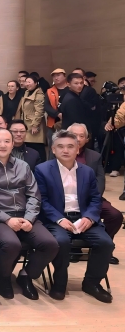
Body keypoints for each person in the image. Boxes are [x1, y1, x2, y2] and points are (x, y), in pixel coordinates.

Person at [0, 129, 59, 300]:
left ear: (13, 144)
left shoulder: (23, 166)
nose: (2, 145)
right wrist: (7, 219)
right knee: (12, 244)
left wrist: (29, 218)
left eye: (7, 141)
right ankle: (4, 277)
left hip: (25, 215)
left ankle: (26, 275)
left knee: (50, 244)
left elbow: (34, 195)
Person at [35, 130, 114, 303]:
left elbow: (95, 199)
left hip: (83, 217)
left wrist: (89, 217)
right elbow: (42, 200)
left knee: (106, 243)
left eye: (70, 146)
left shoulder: (87, 171)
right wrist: (59, 219)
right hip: (56, 219)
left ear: (78, 149)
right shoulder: (42, 170)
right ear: (53, 149)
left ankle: (92, 283)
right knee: (61, 241)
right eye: (60, 146)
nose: (65, 150)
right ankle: (59, 282)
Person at [68, 123, 122, 264]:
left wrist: (92, 199)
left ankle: (103, 248)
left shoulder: (95, 156)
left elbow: (100, 181)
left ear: (87, 139)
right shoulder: (60, 153)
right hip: (68, 199)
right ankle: (75, 248)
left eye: (82, 136)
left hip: (92, 199)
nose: (78, 139)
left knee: (115, 215)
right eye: (74, 135)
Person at [17, 75, 46, 163]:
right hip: (27, 124)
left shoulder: (39, 94)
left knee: (37, 147)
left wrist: (35, 125)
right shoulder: (27, 92)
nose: (27, 84)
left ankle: (39, 166)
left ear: (36, 83)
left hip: (34, 125)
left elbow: (39, 111)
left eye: (29, 82)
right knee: (29, 147)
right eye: (26, 82)